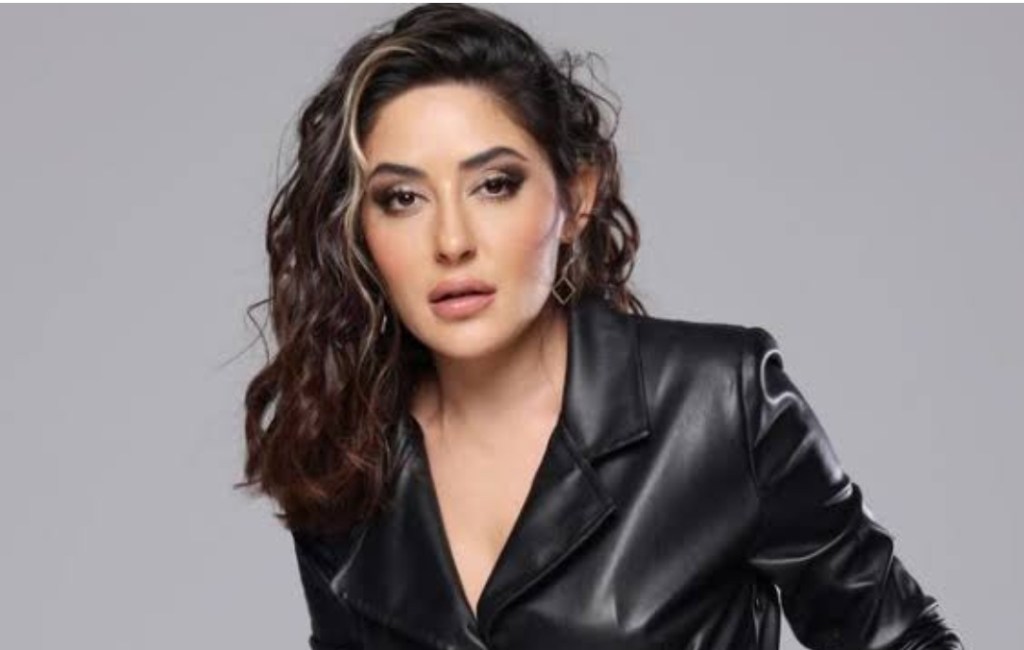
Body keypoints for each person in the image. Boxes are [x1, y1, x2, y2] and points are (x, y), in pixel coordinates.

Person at [238, 4, 964, 649]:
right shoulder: (344, 457)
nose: (451, 241)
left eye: (495, 185)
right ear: (359, 230)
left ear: (576, 196)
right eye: (402, 198)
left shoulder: (721, 404)